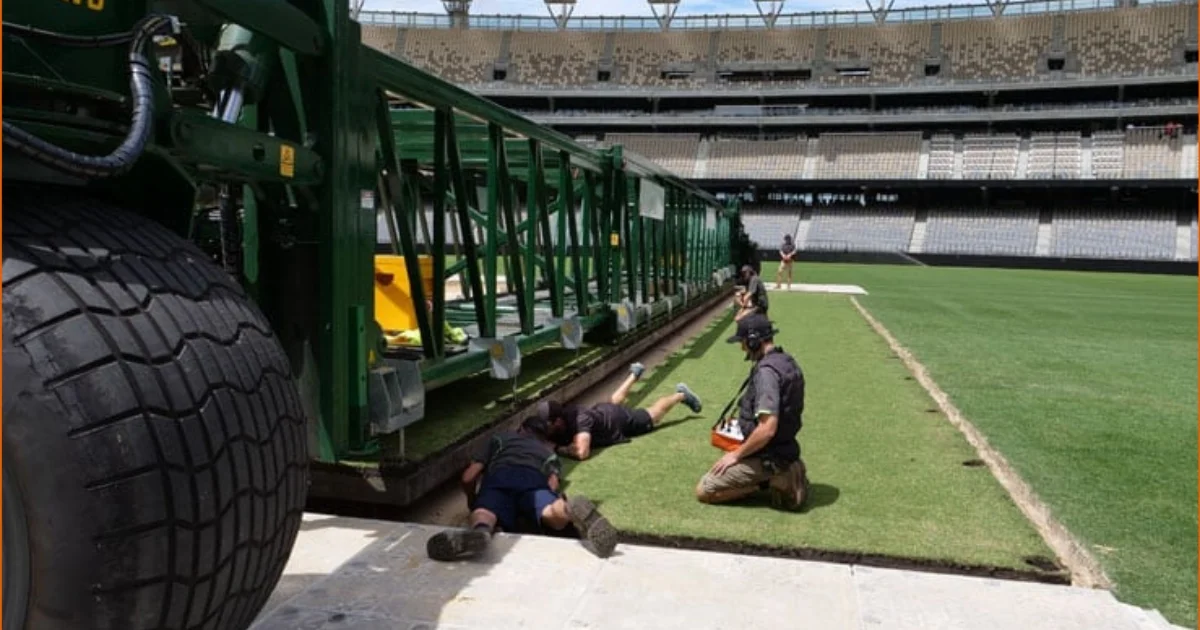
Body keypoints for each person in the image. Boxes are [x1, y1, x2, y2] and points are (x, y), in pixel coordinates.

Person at [426, 416, 618, 561]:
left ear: (521, 429)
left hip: (501, 475)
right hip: (533, 480)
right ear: (542, 436)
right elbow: (552, 485)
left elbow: (468, 477)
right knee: (549, 510)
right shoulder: (548, 453)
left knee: (486, 511)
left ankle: (481, 530)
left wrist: (472, 501)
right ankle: (568, 508)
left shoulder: (500, 439)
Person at [696, 313, 809, 510]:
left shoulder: (767, 373)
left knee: (705, 490)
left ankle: (774, 480)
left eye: (743, 342)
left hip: (769, 453)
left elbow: (767, 429)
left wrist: (736, 455)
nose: (742, 348)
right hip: (784, 446)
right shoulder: (786, 361)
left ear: (754, 341)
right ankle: (790, 467)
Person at [542, 362, 703, 461]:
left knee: (653, 415)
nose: (543, 427)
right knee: (613, 403)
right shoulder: (566, 415)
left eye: (546, 423)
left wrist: (557, 449)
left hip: (618, 420)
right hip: (603, 411)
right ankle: (634, 374)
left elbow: (582, 453)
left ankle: (681, 395)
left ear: (557, 421)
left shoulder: (579, 421)